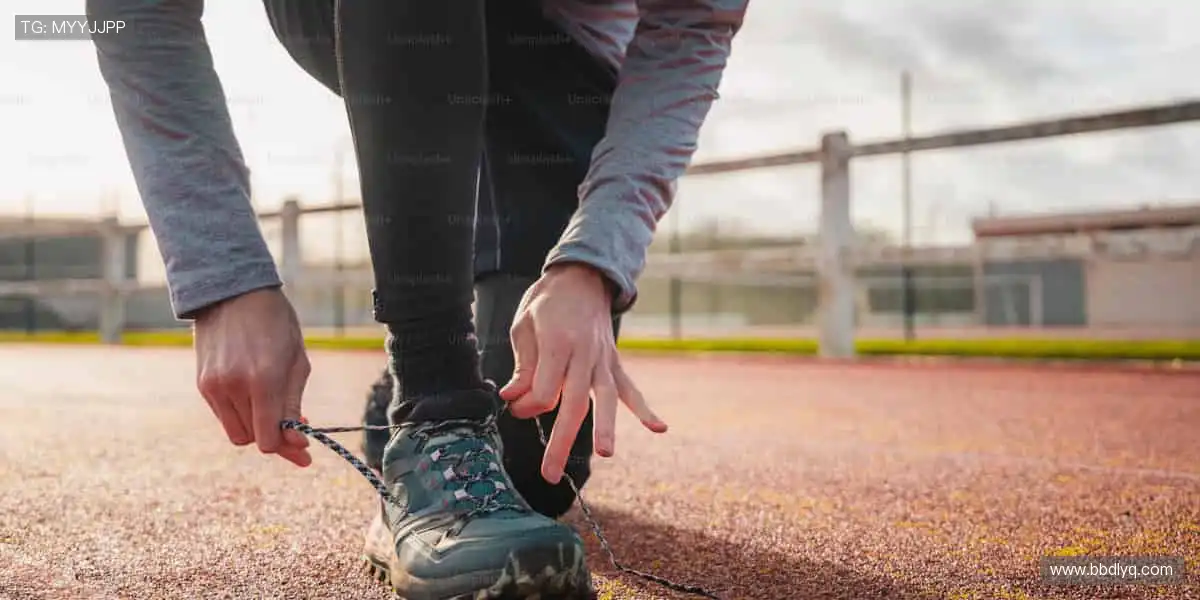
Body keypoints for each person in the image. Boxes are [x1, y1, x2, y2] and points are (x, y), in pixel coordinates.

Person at [87, 0, 747, 598]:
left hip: (557, 69)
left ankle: (422, 391)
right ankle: (434, 401)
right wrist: (224, 279)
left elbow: (691, 30)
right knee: (469, 458)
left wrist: (593, 261)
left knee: (531, 471)